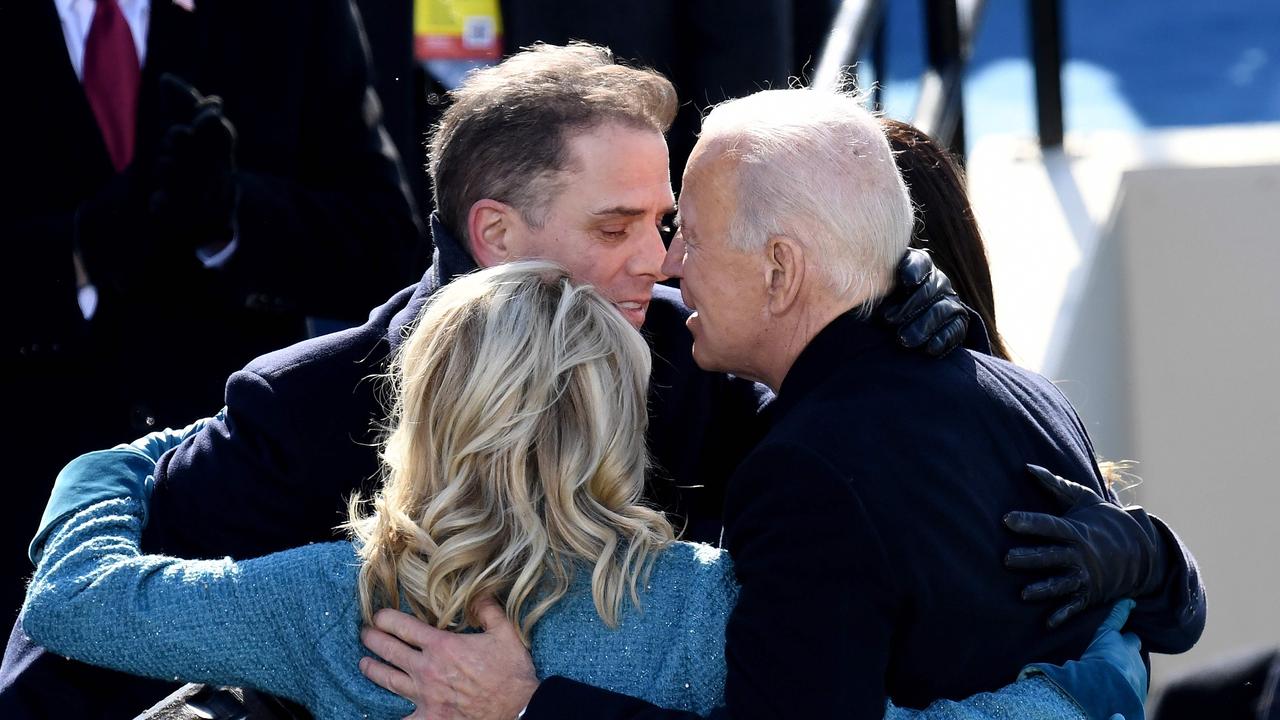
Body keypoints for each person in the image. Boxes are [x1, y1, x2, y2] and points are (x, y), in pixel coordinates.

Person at [0, 41, 967, 719]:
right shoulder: (299, 411)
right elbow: (60, 667)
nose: (658, 261)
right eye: (614, 226)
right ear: (495, 235)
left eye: (664, 223)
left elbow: (892, 530)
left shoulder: (702, 364)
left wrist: (880, 321)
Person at [357, 88, 1205, 719]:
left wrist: (529, 707)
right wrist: (1160, 571)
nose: (672, 265)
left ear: (782, 270)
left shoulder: (807, 470)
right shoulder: (1016, 392)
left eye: (687, 232)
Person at [21, 262, 1147, 720]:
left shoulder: (331, 604)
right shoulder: (717, 602)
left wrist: (120, 460)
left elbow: (72, 599)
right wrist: (1114, 611)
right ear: (616, 416)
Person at [0, 0, 422, 618]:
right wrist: (77, 249)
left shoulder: (295, 14)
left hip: (233, 534)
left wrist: (233, 217)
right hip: (22, 496)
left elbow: (385, 246)